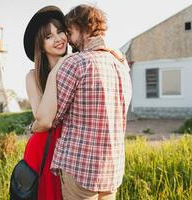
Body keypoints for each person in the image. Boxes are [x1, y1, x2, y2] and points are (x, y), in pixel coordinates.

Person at [31, 4, 132, 200]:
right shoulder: (121, 64)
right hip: (112, 167)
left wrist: (32, 127)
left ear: (81, 27)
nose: (67, 38)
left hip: (80, 167)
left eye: (67, 31)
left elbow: (51, 118)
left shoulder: (75, 63)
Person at [23, 5, 69, 200]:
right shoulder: (33, 77)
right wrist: (57, 69)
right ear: (40, 45)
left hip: (69, 146)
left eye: (60, 31)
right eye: (49, 36)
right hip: (43, 148)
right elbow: (42, 119)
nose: (58, 39)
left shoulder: (76, 65)